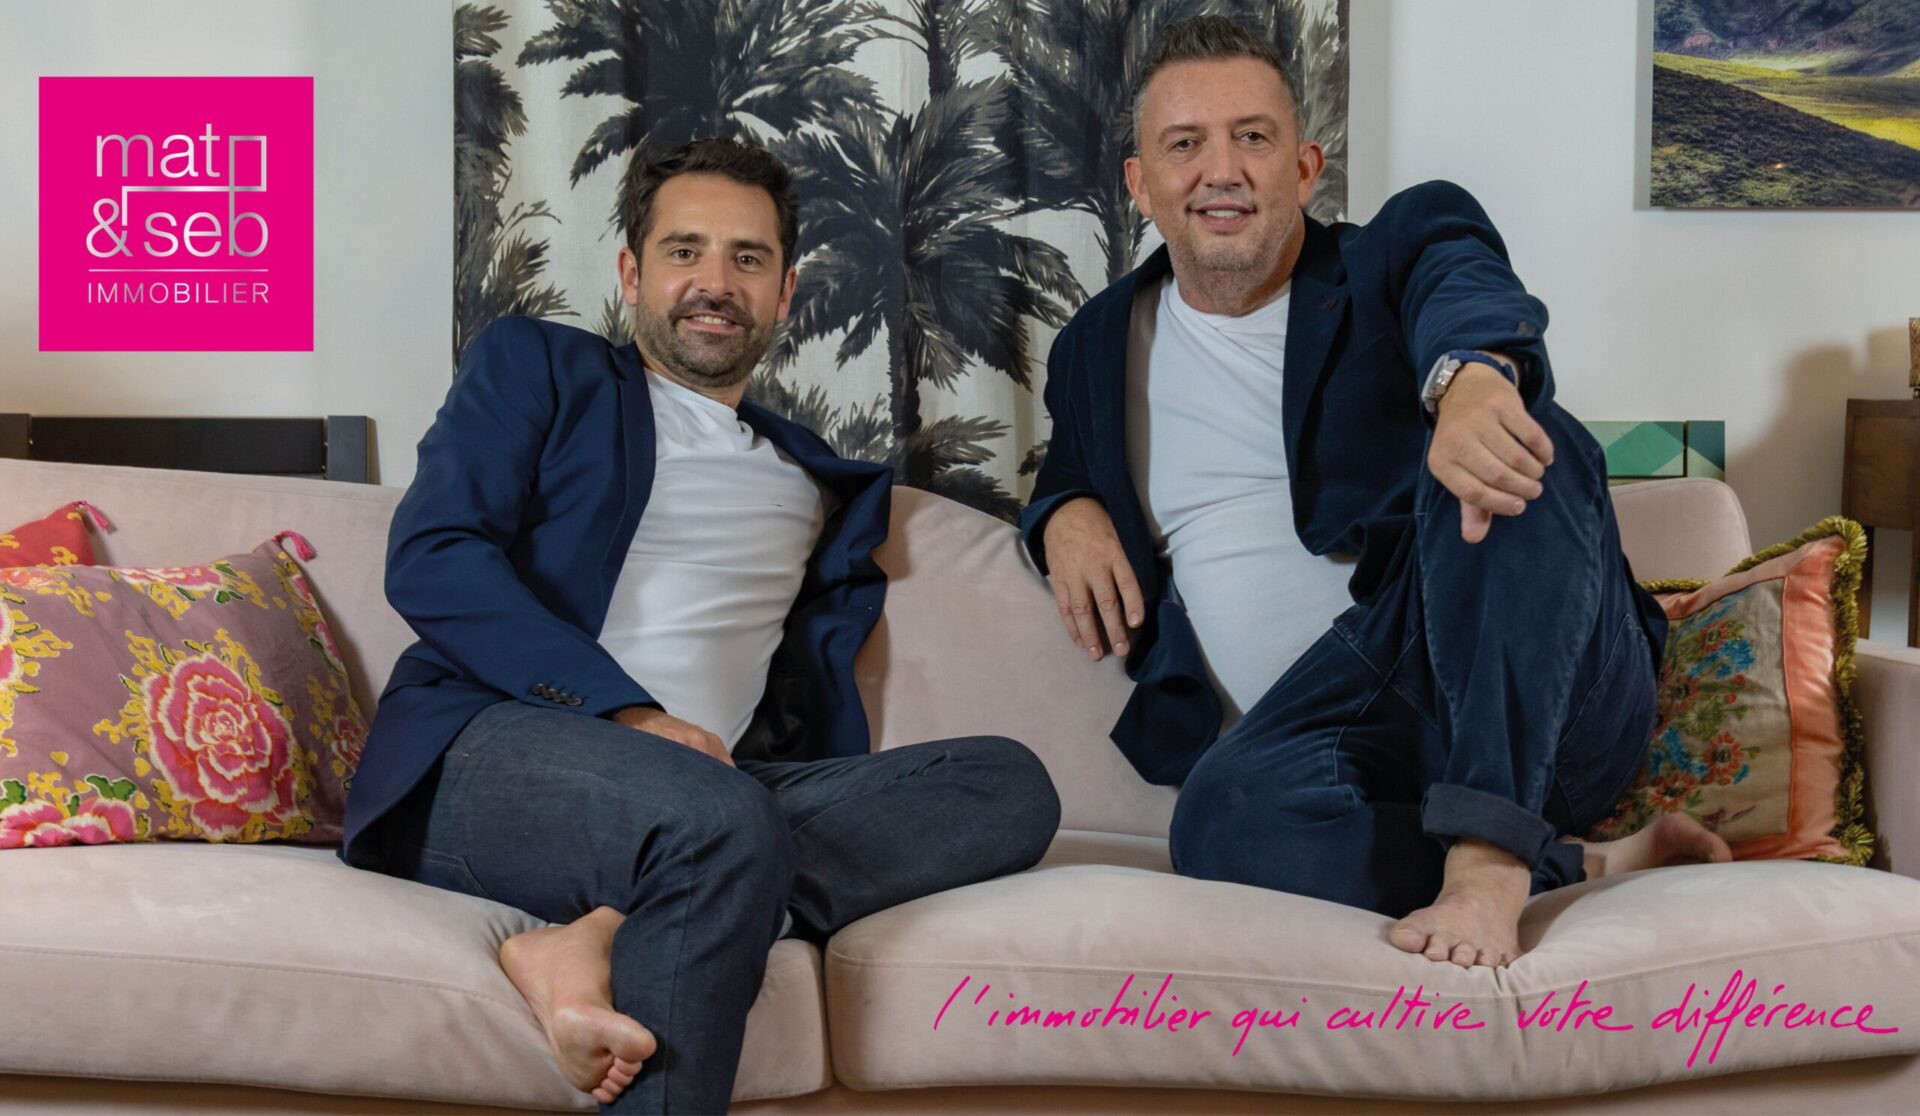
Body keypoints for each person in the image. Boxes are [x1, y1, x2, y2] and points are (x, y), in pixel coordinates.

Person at [340, 137, 1061, 1113]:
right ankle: (695, 870)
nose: (715, 281)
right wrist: (630, 715)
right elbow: (435, 554)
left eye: (747, 258)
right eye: (685, 251)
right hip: (492, 752)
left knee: (1006, 785)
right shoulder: (540, 367)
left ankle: (596, 934)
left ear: (785, 290)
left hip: (705, 794)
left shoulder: (812, 476)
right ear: (632, 272)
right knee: (718, 821)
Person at [1020, 16, 1727, 972]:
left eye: (1253, 137)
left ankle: (1489, 862)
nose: (1221, 170)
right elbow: (1069, 467)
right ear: (1140, 183)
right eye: (1185, 144)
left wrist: (1472, 378)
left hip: (1531, 688)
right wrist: (1063, 514)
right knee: (1219, 820)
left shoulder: (1391, 254)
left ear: (1306, 168)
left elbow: (1462, 281)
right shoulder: (1094, 349)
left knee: (1528, 439)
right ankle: (1582, 865)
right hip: (1345, 739)